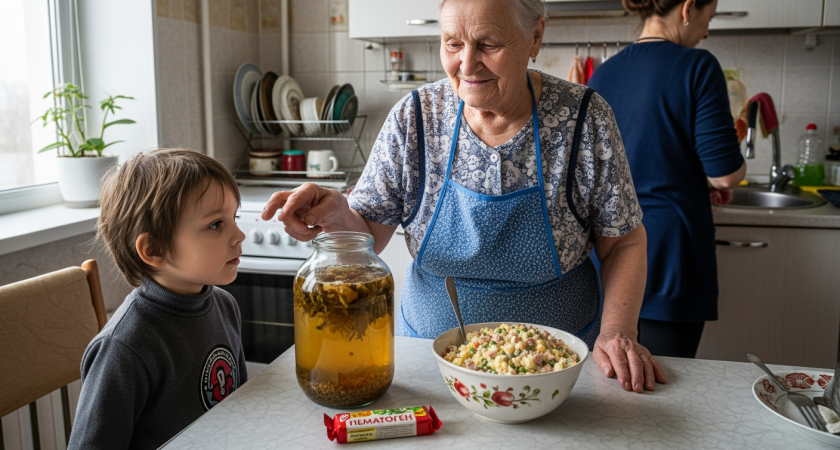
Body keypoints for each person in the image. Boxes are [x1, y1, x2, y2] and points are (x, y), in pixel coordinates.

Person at [264, 0, 665, 393]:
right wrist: (337, 214)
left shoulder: (584, 120)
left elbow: (624, 242)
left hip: (557, 370)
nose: (467, 64)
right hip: (428, 367)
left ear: (535, 36)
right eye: (453, 43)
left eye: (488, 45)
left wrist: (617, 331)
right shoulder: (415, 119)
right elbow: (368, 233)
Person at [588, 0, 746, 358]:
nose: (707, 30)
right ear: (689, 8)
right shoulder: (698, 66)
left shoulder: (603, 74)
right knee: (664, 387)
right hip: (672, 255)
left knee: (612, 382)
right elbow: (724, 174)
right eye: (710, 16)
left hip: (611, 256)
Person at [68, 149, 248, 449]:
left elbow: (241, 406)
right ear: (154, 250)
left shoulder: (225, 306)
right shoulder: (124, 347)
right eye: (216, 224)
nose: (239, 234)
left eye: (234, 218)